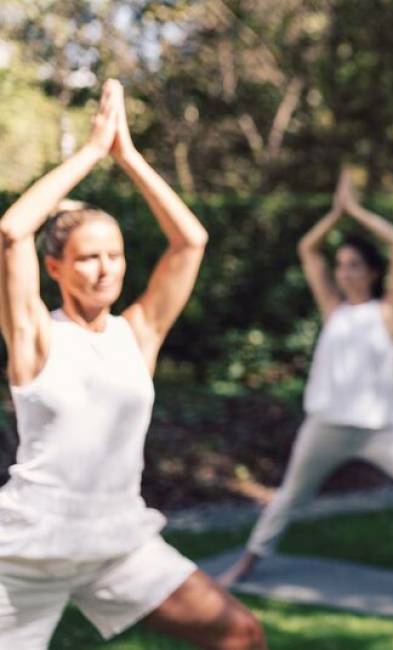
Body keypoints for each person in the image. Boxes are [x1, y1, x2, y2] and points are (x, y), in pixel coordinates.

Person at [0, 80, 265, 649]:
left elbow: (190, 240)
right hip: (28, 551)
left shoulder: (138, 333)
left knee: (240, 635)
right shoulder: (35, 335)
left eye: (114, 255)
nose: (104, 269)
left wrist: (129, 156)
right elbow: (12, 230)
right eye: (88, 257)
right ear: (56, 269)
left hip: (118, 542)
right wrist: (92, 152)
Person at [217, 170, 393, 609]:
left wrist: (356, 212)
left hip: (382, 432)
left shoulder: (387, 313)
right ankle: (245, 563)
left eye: (353, 265)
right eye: (340, 266)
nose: (344, 273)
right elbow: (307, 249)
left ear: (372, 271)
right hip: (326, 427)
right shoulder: (333, 309)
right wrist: (334, 214)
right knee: (288, 498)